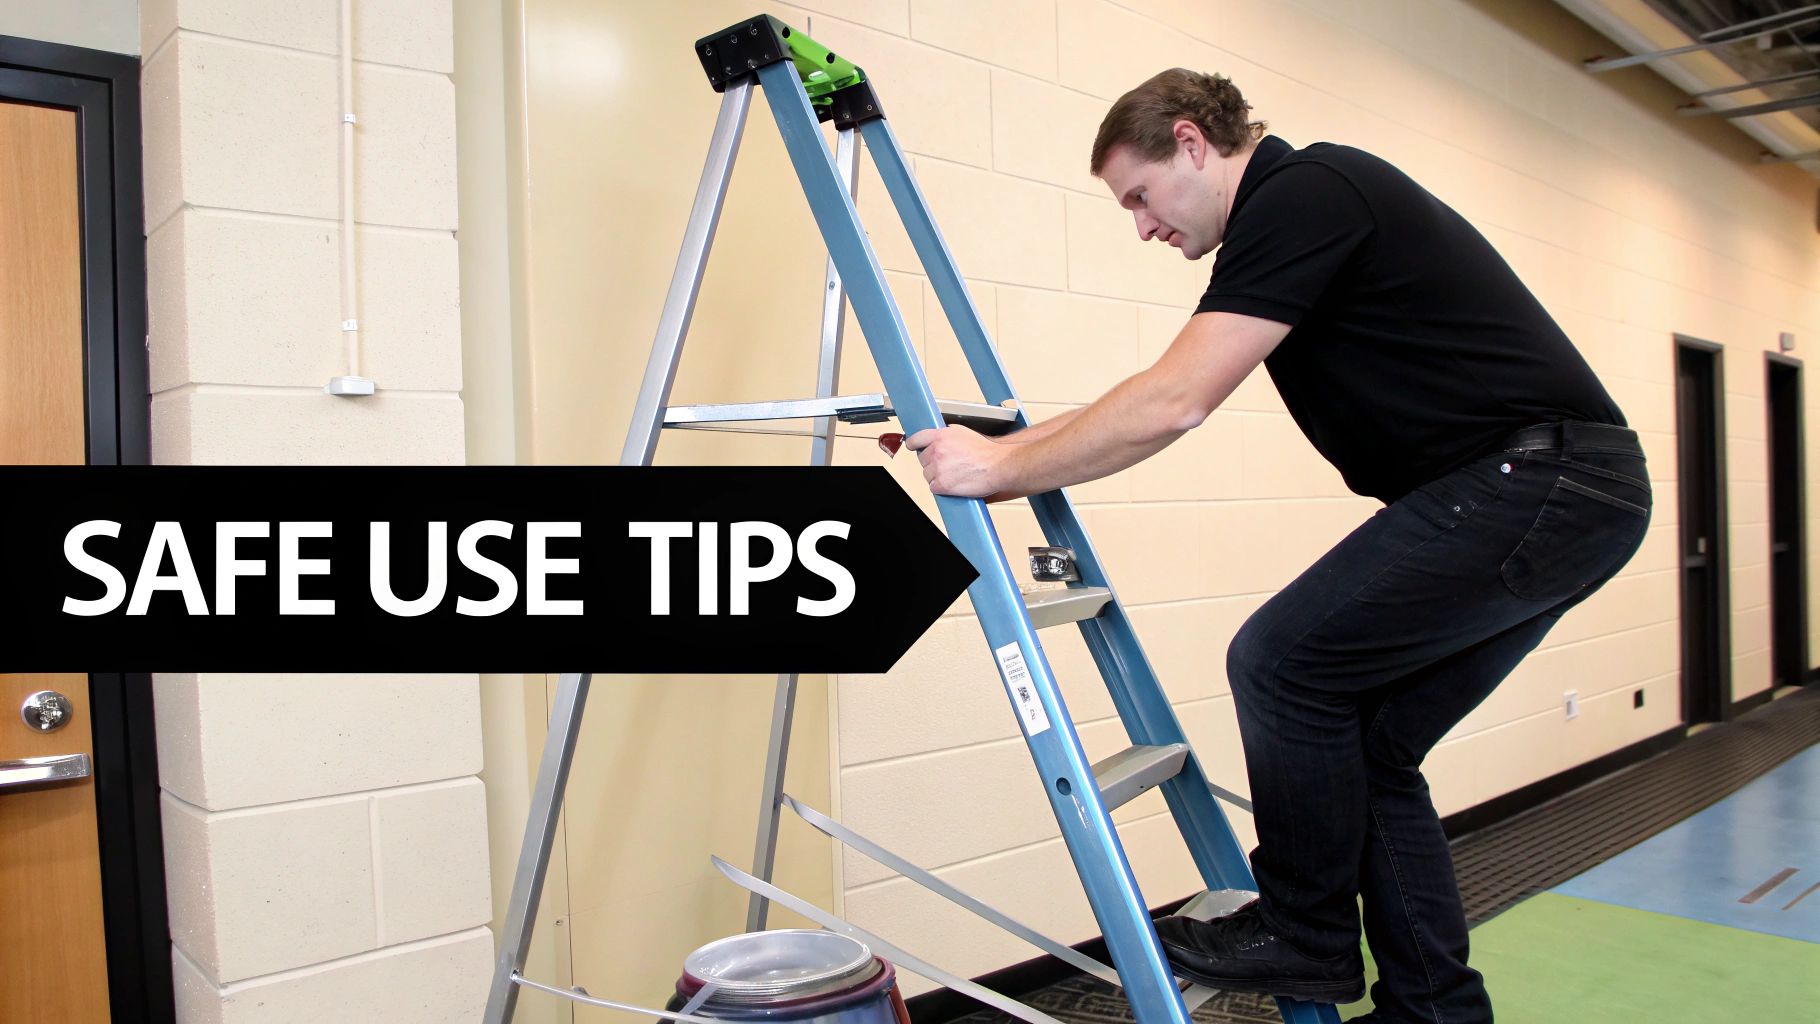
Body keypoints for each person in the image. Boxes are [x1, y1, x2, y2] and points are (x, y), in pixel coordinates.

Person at [904, 69, 1651, 1023]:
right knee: (1372, 743)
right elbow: (1155, 390)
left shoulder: (1305, 195)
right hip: (1561, 493)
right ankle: (1436, 1010)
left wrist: (992, 470)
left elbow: (1173, 400)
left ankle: (1305, 930)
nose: (1141, 227)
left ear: (1190, 142)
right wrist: (1013, 450)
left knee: (1280, 664)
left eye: (1139, 197)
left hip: (1538, 483)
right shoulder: (1294, 218)